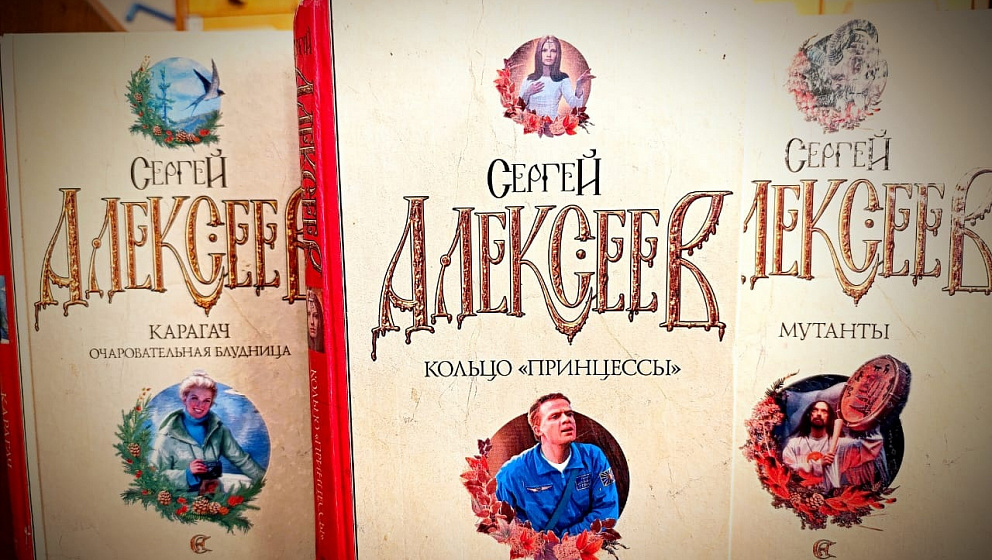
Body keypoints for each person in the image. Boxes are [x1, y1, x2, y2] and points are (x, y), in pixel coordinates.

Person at [495, 393, 618, 537]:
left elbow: (607, 509)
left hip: (584, 546)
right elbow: (501, 523)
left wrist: (566, 541)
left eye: (569, 414)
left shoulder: (593, 457)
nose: (567, 420)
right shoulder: (512, 472)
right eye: (555, 416)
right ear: (537, 429)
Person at [151, 371, 265, 493]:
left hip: (215, 498)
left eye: (206, 400)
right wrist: (187, 474)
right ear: (184, 398)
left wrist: (268, 480)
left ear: (211, 403)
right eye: (194, 398)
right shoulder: (168, 433)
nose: (200, 405)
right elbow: (154, 477)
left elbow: (241, 460)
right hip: (182, 501)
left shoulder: (218, 429)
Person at [781, 400, 887, 491]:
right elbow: (786, 469)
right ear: (809, 415)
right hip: (802, 496)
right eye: (815, 410)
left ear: (829, 417)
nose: (819, 414)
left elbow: (873, 443)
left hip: (831, 496)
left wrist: (862, 416)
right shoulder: (795, 444)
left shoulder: (840, 445)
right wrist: (818, 464)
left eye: (824, 411)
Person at [519, 36, 594, 119]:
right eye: (544, 50)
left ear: (557, 55)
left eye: (553, 51)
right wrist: (528, 92)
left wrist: (579, 85)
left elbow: (576, 106)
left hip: (552, 124)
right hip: (531, 123)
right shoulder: (528, 79)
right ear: (539, 53)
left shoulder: (562, 79)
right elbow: (519, 109)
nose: (549, 55)